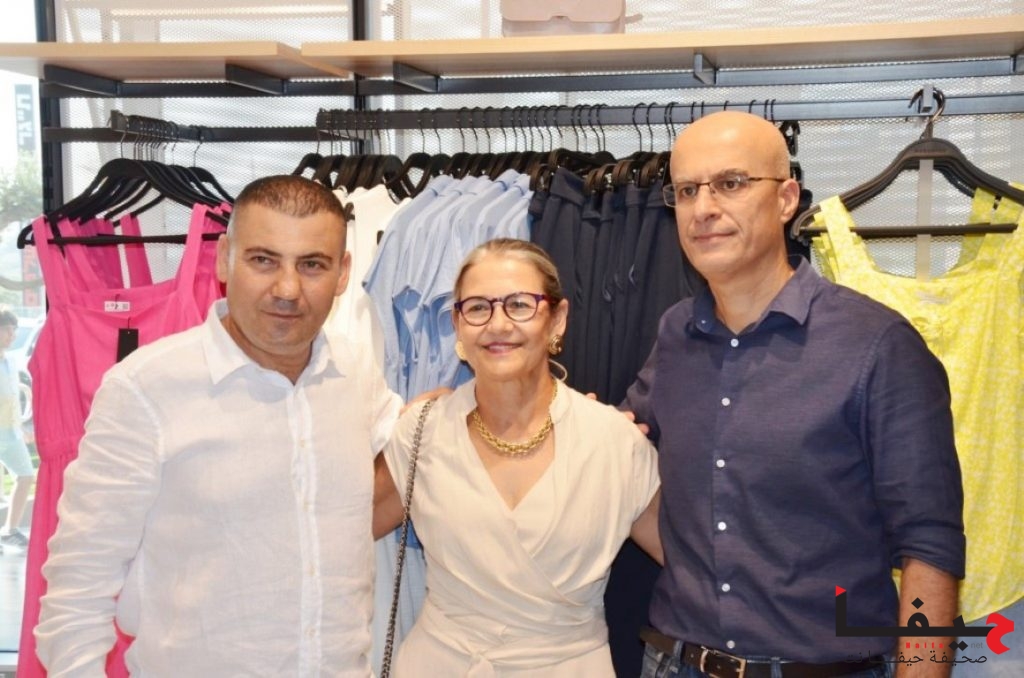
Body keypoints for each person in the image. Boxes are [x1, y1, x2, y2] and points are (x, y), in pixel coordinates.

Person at [624, 111, 966, 678]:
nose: (703, 208)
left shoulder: (878, 345)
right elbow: (615, 455)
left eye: (730, 183)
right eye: (686, 191)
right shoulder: (675, 335)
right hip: (677, 661)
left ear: (786, 199)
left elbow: (930, 546)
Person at [35, 175, 403, 676]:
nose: (288, 289)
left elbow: (409, 458)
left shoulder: (355, 373)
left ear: (343, 273)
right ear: (224, 259)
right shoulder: (146, 388)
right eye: (264, 260)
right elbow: (78, 588)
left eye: (312, 265)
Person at [373, 237, 662, 677]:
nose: (498, 324)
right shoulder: (421, 432)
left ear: (557, 319)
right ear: (457, 324)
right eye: (478, 307)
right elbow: (338, 531)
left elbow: (695, 565)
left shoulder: (614, 444)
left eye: (519, 305)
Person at [0, 307, 35, 553]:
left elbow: (12, 398)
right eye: (7, 329)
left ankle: (9, 531)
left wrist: (21, 428)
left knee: (26, 475)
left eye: (14, 330)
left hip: (11, 432)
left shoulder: (11, 362)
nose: (12, 335)